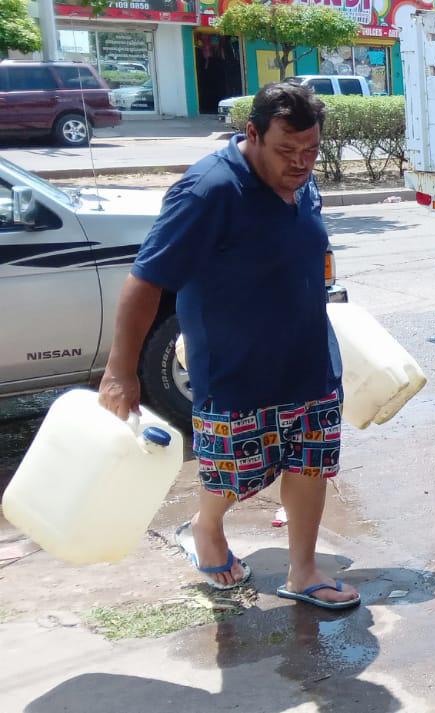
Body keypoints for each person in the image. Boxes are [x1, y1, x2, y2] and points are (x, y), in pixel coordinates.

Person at [97, 83, 359, 609]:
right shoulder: (208, 190)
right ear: (252, 134)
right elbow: (145, 281)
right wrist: (120, 370)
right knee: (231, 473)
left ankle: (304, 571)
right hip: (236, 368)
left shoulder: (302, 181)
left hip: (308, 358)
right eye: (286, 150)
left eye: (311, 150)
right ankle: (206, 526)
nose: (300, 162)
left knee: (311, 464)